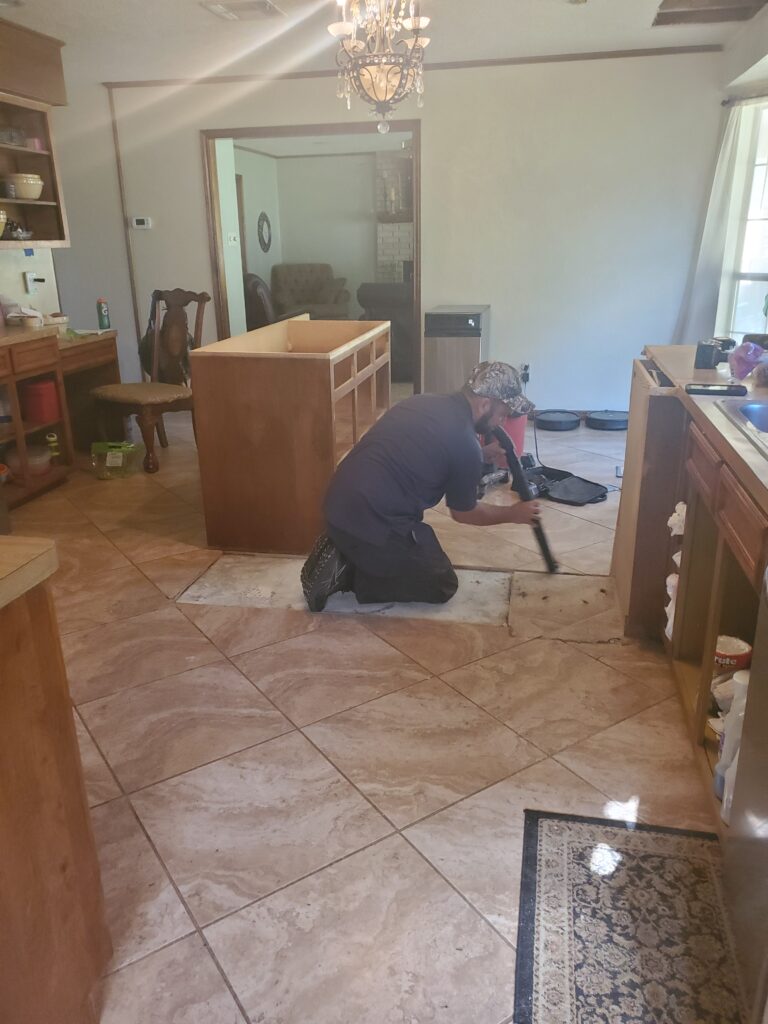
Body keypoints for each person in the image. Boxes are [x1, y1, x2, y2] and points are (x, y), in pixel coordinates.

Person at [301, 361, 540, 612]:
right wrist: (513, 514)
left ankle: (348, 545)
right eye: (503, 413)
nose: (502, 421)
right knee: (440, 582)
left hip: (339, 503)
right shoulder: (464, 443)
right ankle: (346, 572)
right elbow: (464, 513)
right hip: (371, 521)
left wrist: (480, 455)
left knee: (420, 542)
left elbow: (436, 453)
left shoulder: (423, 402)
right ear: (484, 403)